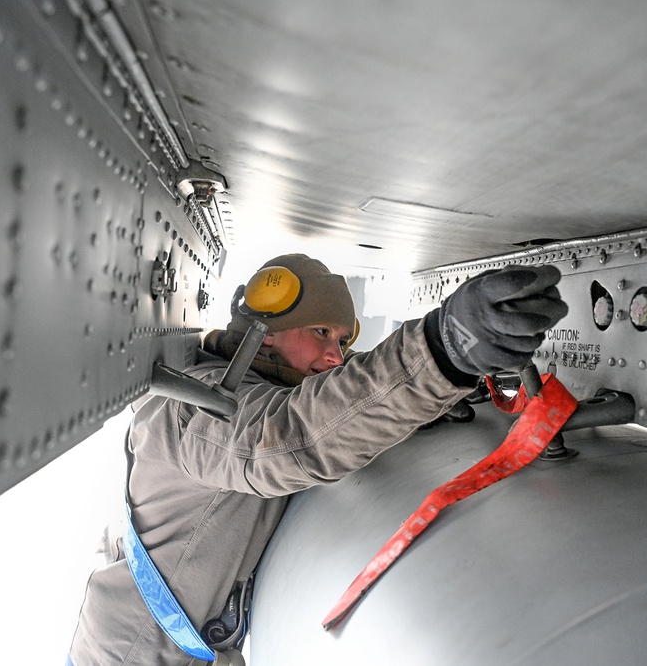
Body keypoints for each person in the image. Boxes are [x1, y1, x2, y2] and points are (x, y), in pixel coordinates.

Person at [68, 254, 567, 665]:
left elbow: (335, 386)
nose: (335, 355)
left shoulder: (254, 378)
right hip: (131, 655)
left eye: (344, 340)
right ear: (265, 332)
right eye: (322, 333)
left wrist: (424, 399)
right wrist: (441, 352)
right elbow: (288, 437)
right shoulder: (195, 409)